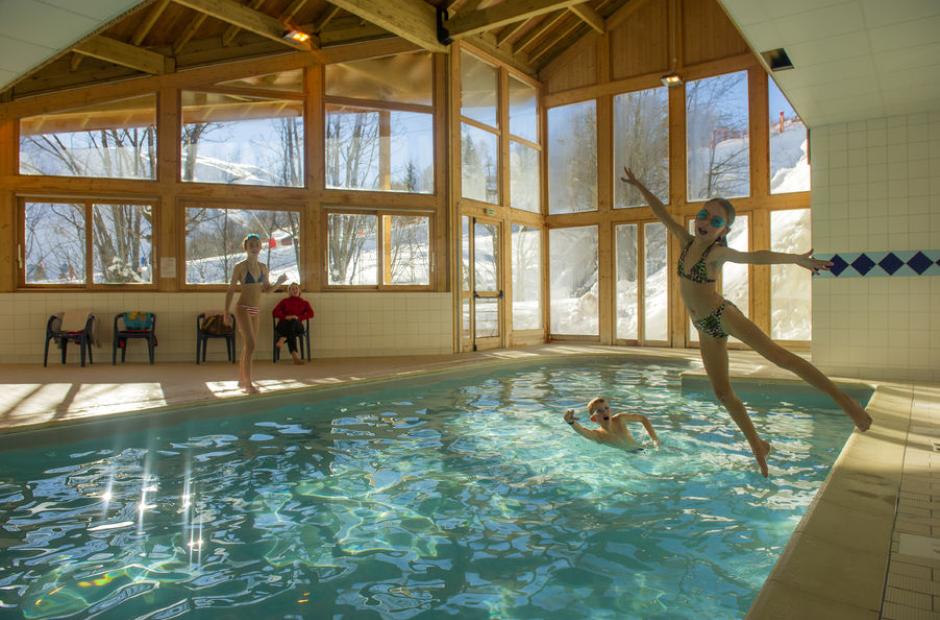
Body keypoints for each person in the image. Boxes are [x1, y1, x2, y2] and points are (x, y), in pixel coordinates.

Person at [620, 167, 871, 477]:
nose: (705, 222)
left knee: (779, 357)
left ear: (722, 230)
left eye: (715, 221)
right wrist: (640, 185)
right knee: (723, 394)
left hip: (723, 316)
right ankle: (758, 444)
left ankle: (845, 402)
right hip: (703, 328)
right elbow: (661, 212)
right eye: (703, 215)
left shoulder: (717, 252)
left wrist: (794, 258)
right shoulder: (685, 242)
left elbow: (756, 256)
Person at [224, 233, 287, 393]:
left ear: (260, 247)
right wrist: (226, 312)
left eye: (257, 244)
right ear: (245, 247)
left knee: (248, 345)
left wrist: (279, 283)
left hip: (255, 309)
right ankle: (248, 383)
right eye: (251, 244)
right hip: (243, 308)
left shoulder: (263, 267)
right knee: (252, 345)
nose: (254, 247)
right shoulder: (240, 267)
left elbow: (266, 290)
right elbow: (231, 290)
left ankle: (241, 378)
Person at [563, 397, 660, 451]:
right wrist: (571, 422)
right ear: (593, 419)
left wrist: (655, 439)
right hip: (631, 457)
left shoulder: (620, 419)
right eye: (599, 411)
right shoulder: (599, 435)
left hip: (644, 448)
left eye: (606, 408)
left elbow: (642, 419)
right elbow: (582, 431)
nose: (605, 412)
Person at [272, 282, 314, 365]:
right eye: (292, 289)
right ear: (289, 291)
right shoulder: (284, 301)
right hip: (283, 325)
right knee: (291, 329)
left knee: (294, 321)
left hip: (298, 326)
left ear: (299, 291)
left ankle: (283, 338)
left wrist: (298, 317)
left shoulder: (304, 303)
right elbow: (274, 312)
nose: (294, 290)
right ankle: (295, 357)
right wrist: (286, 317)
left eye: (296, 288)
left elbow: (311, 314)